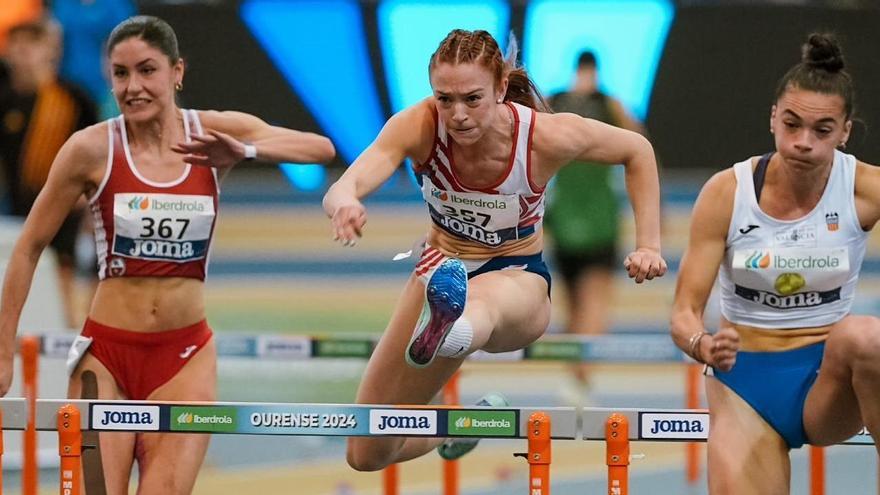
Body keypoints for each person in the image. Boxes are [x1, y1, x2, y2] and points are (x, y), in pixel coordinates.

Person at [0, 15, 334, 495]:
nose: (133, 86)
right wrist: (4, 348)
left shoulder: (212, 134)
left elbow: (319, 148)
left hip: (184, 359)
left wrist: (241, 151)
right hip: (105, 359)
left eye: (147, 70)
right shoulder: (90, 149)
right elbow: (29, 247)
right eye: (120, 74)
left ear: (177, 72)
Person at [323, 29, 666, 472]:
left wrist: (649, 244)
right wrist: (346, 202)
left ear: (501, 88)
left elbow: (637, 150)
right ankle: (459, 424)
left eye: (472, 99)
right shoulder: (418, 125)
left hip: (516, 279)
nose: (457, 114)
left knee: (478, 303)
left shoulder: (544, 136)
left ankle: (453, 324)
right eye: (444, 99)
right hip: (438, 269)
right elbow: (345, 183)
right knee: (366, 451)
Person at [670, 33, 880, 494]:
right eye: (792, 125)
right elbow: (683, 313)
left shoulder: (864, 188)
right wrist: (701, 344)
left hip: (829, 381)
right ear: (772, 119)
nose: (803, 142)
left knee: (868, 336)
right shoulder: (727, 192)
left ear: (845, 132)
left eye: (822, 131)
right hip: (745, 381)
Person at [544, 50, 647, 396]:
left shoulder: (556, 102)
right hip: (584, 221)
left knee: (582, 305)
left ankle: (578, 374)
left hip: (572, 221)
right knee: (586, 307)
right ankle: (579, 375)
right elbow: (641, 146)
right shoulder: (605, 105)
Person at [0, 18, 99, 328]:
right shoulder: (4, 99)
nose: (22, 52)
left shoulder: (73, 99)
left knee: (64, 285)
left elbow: (98, 153)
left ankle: (74, 339)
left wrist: (87, 202)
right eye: (16, 45)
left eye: (31, 44)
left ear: (51, 50)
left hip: (65, 213)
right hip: (17, 214)